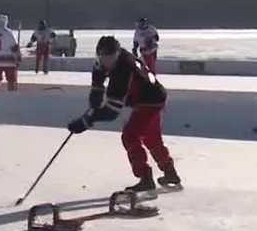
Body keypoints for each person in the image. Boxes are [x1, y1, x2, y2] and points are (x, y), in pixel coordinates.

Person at [66, 35, 180, 193]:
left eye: (110, 58)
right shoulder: (108, 61)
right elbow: (98, 78)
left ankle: (145, 177)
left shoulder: (123, 69)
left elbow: (112, 112)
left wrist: (86, 120)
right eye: (103, 57)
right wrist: (95, 95)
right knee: (151, 138)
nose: (106, 61)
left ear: (117, 54)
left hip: (149, 100)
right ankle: (170, 173)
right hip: (153, 96)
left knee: (130, 136)